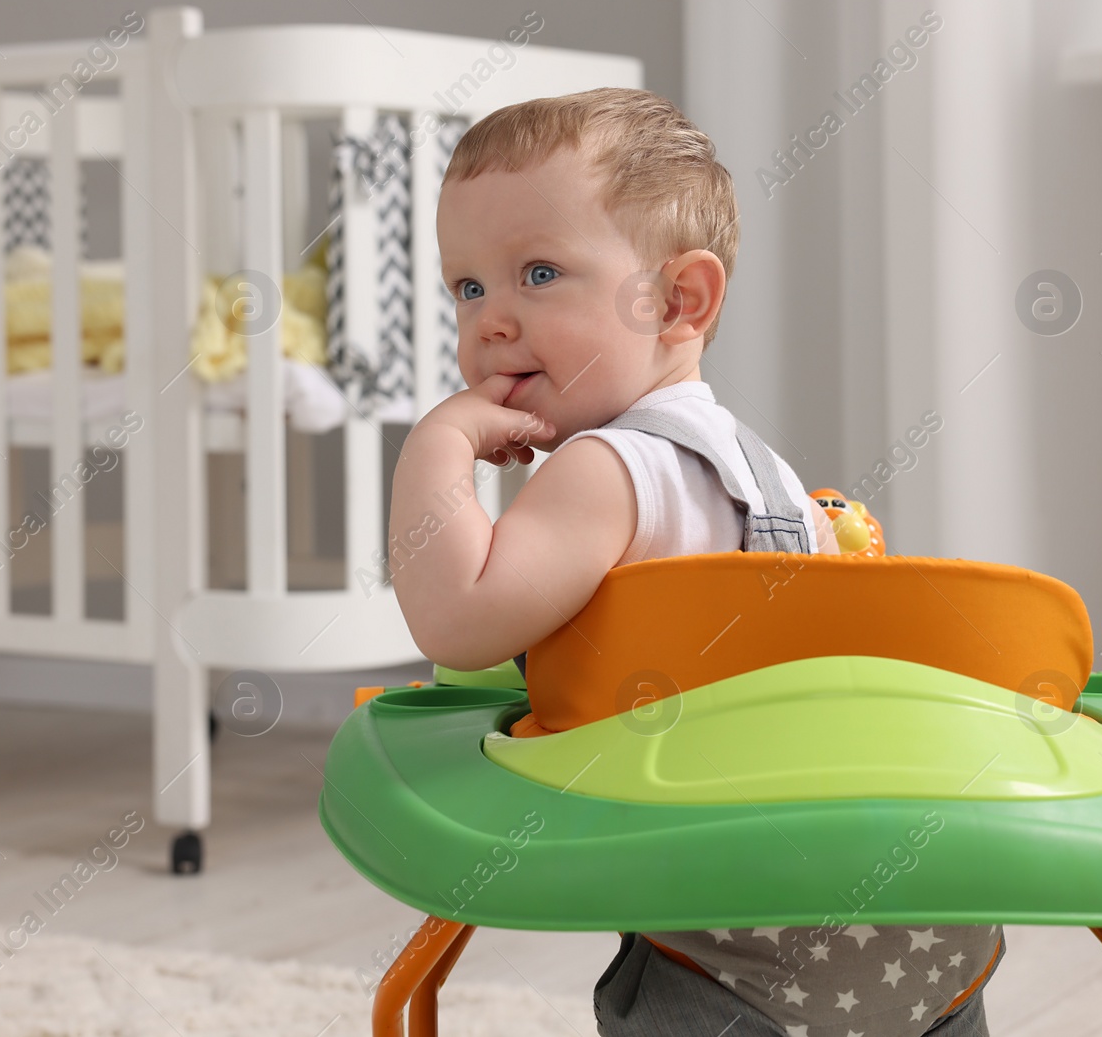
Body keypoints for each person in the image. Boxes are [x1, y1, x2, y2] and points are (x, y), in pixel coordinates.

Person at [386, 87, 1002, 1036]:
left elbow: (457, 622)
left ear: (680, 300)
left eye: (539, 273)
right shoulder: (780, 486)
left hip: (732, 952)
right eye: (468, 288)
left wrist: (438, 445)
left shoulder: (605, 471)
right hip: (912, 935)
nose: (491, 323)